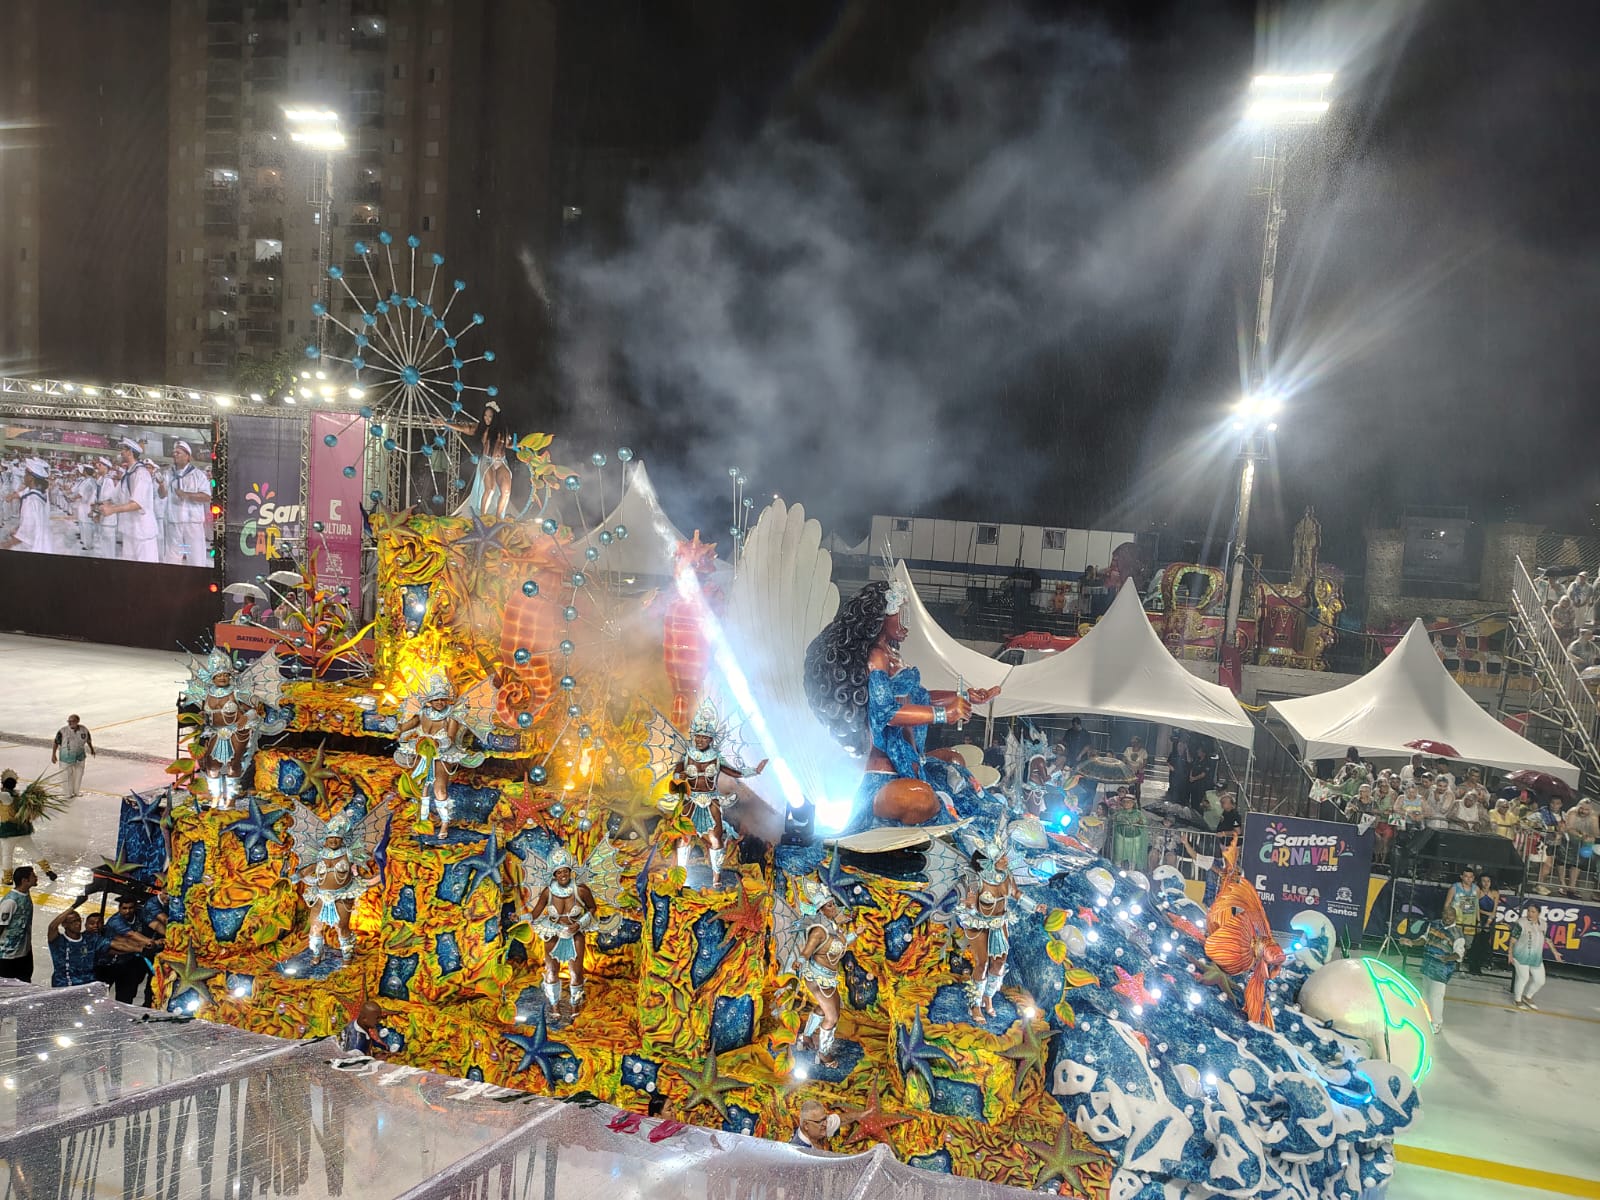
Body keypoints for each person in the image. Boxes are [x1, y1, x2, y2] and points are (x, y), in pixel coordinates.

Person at [94, 438, 162, 562]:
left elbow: (137, 504)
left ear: (130, 452)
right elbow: (114, 497)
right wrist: (99, 506)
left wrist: (112, 510)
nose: (121, 453)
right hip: (129, 530)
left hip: (142, 532)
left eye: (123, 450)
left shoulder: (141, 473)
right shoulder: (127, 474)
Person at [1404, 908, 1464, 1034]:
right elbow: (1424, 938)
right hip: (1427, 964)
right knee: (1425, 994)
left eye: (1451, 915)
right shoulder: (1434, 924)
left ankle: (1436, 1023)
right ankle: (1425, 1018)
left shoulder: (1457, 934)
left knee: (1436, 996)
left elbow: (1459, 954)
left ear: (1455, 917)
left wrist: (1447, 958)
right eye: (1445, 914)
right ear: (1442, 914)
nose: (1447, 917)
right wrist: (1412, 942)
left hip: (1441, 969)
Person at [97, 894, 160, 1004]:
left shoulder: (140, 913)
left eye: (130, 908)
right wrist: (152, 942)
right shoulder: (115, 921)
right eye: (124, 908)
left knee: (125, 997)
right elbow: (132, 935)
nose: (128, 911)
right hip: (107, 964)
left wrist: (169, 934)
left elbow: (154, 924)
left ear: (135, 907)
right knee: (99, 996)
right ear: (119, 908)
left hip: (127, 963)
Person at [162, 440, 212, 566]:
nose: (175, 455)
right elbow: (162, 495)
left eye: (178, 452)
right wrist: (160, 485)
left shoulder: (198, 475)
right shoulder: (168, 473)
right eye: (174, 452)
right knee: (172, 557)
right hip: (174, 521)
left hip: (192, 523)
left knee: (196, 558)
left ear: (187, 456)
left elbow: (207, 497)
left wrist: (187, 495)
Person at [0, 457, 55, 554]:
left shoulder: (31, 501)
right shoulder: (39, 490)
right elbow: (23, 492)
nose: (24, 476)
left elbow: (26, 534)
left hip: (34, 546)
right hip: (42, 541)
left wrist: (6, 545)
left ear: (31, 478)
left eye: (26, 474)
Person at [47, 901, 102, 987]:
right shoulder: (58, 941)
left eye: (79, 920)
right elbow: (52, 927)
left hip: (87, 984)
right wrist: (74, 906)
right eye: (73, 921)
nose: (78, 924)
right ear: (64, 924)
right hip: (64, 985)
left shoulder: (88, 938)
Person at [0, 865, 38, 981]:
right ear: (24, 880)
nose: (36, 878)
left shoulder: (26, 894)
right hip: (8, 956)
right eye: (33, 876)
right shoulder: (10, 902)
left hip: (24, 952)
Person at [1508, 904, 1548, 1010]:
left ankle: (1528, 997)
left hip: (1536, 957)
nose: (1530, 913)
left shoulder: (1543, 924)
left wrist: (1555, 952)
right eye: (1529, 911)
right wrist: (1510, 954)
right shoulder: (1521, 923)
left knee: (1540, 981)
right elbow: (1512, 940)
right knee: (1523, 977)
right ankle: (1517, 999)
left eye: (1533, 912)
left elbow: (1548, 939)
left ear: (1538, 913)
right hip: (1520, 955)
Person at [338, 999, 402, 1056]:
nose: (379, 1021)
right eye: (377, 1018)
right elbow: (358, 1065)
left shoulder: (353, 1024)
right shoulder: (358, 1045)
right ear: (364, 1019)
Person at [51, 715, 95, 798]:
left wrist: (92, 749)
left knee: (79, 774)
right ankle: (67, 793)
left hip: (80, 756)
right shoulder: (63, 731)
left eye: (72, 721)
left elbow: (88, 739)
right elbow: (56, 742)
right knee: (66, 775)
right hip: (66, 757)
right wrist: (53, 755)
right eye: (69, 721)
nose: (70, 723)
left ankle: (76, 791)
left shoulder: (84, 729)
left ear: (77, 721)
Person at [1464, 873, 1499, 975]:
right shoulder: (1476, 891)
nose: (1486, 883)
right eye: (1484, 881)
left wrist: (1489, 921)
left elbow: (1494, 910)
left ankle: (1478, 966)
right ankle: (1472, 966)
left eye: (1488, 881)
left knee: (1484, 945)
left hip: (1490, 920)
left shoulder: (1495, 893)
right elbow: (1472, 907)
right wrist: (1483, 916)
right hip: (1477, 918)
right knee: (1475, 943)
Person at [89, 456, 121, 558]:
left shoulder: (109, 481)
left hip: (108, 518)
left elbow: (107, 501)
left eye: (100, 465)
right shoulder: (101, 480)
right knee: (103, 545)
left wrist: (96, 512)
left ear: (106, 467)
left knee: (109, 547)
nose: (98, 466)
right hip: (102, 516)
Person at [1109, 790, 1148, 872]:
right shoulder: (1119, 812)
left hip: (1134, 838)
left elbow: (1144, 822)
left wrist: (1139, 822)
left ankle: (1131, 872)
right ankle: (1117, 871)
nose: (1127, 804)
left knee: (1133, 858)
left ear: (1133, 804)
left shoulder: (1138, 813)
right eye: (1125, 802)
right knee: (1118, 856)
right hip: (1120, 837)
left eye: (1129, 802)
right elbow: (1113, 819)